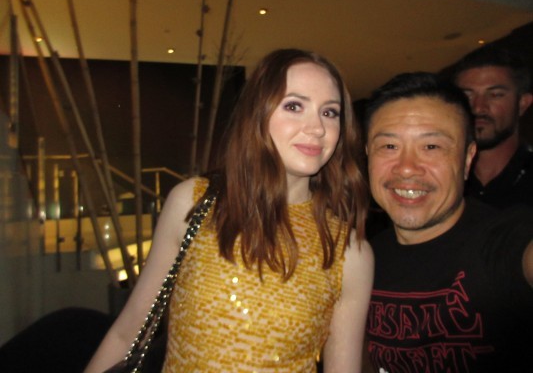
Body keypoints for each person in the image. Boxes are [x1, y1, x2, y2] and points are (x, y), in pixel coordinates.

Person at [84, 49, 374, 373]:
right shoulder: (193, 203)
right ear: (257, 114)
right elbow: (128, 332)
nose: (317, 127)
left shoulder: (350, 253)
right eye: (294, 106)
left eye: (330, 112)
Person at [363, 72, 533, 372]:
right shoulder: (364, 258)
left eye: (432, 147)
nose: (406, 168)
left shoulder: (505, 238)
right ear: (368, 156)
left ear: (467, 159)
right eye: (389, 147)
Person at [450, 45, 533, 208]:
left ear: (523, 104)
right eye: (467, 95)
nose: (478, 107)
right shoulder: (442, 178)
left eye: (495, 95)